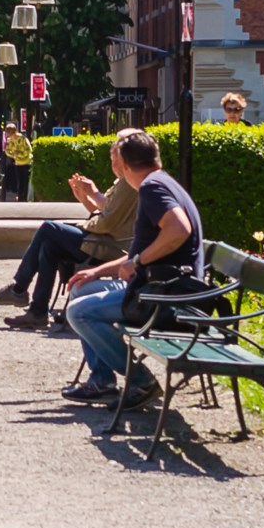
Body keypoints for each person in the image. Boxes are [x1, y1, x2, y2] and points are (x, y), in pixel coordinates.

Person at [58, 128, 206, 409]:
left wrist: (137, 262)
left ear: (125, 165)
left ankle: (142, 382)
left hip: (166, 299)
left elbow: (179, 229)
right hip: (159, 289)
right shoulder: (161, 182)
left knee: (79, 312)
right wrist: (97, 272)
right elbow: (139, 255)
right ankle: (102, 382)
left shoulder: (152, 188)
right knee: (80, 287)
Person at [0, 162, 138, 332]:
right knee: (49, 246)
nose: (113, 163)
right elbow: (105, 214)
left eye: (116, 157)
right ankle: (37, 312)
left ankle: (19, 288)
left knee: (48, 228)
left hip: (106, 246)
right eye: (112, 157)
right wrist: (84, 198)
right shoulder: (123, 182)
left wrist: (92, 195)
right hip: (101, 240)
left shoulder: (128, 183)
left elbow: (108, 222)